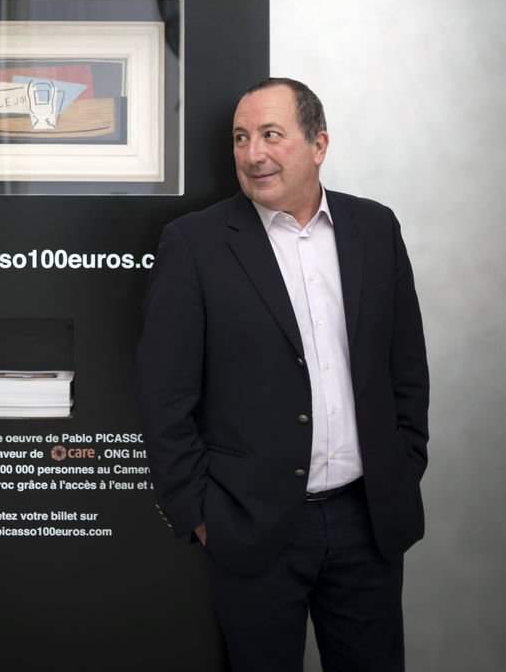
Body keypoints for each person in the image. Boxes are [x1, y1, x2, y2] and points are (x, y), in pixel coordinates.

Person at [135, 77, 428, 671]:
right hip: (251, 527)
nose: (253, 154)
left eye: (271, 135)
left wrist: (404, 462)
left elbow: (406, 366)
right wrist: (201, 517)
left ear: (319, 144)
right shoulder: (194, 243)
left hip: (368, 519)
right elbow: (163, 395)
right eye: (241, 138)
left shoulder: (375, 228)